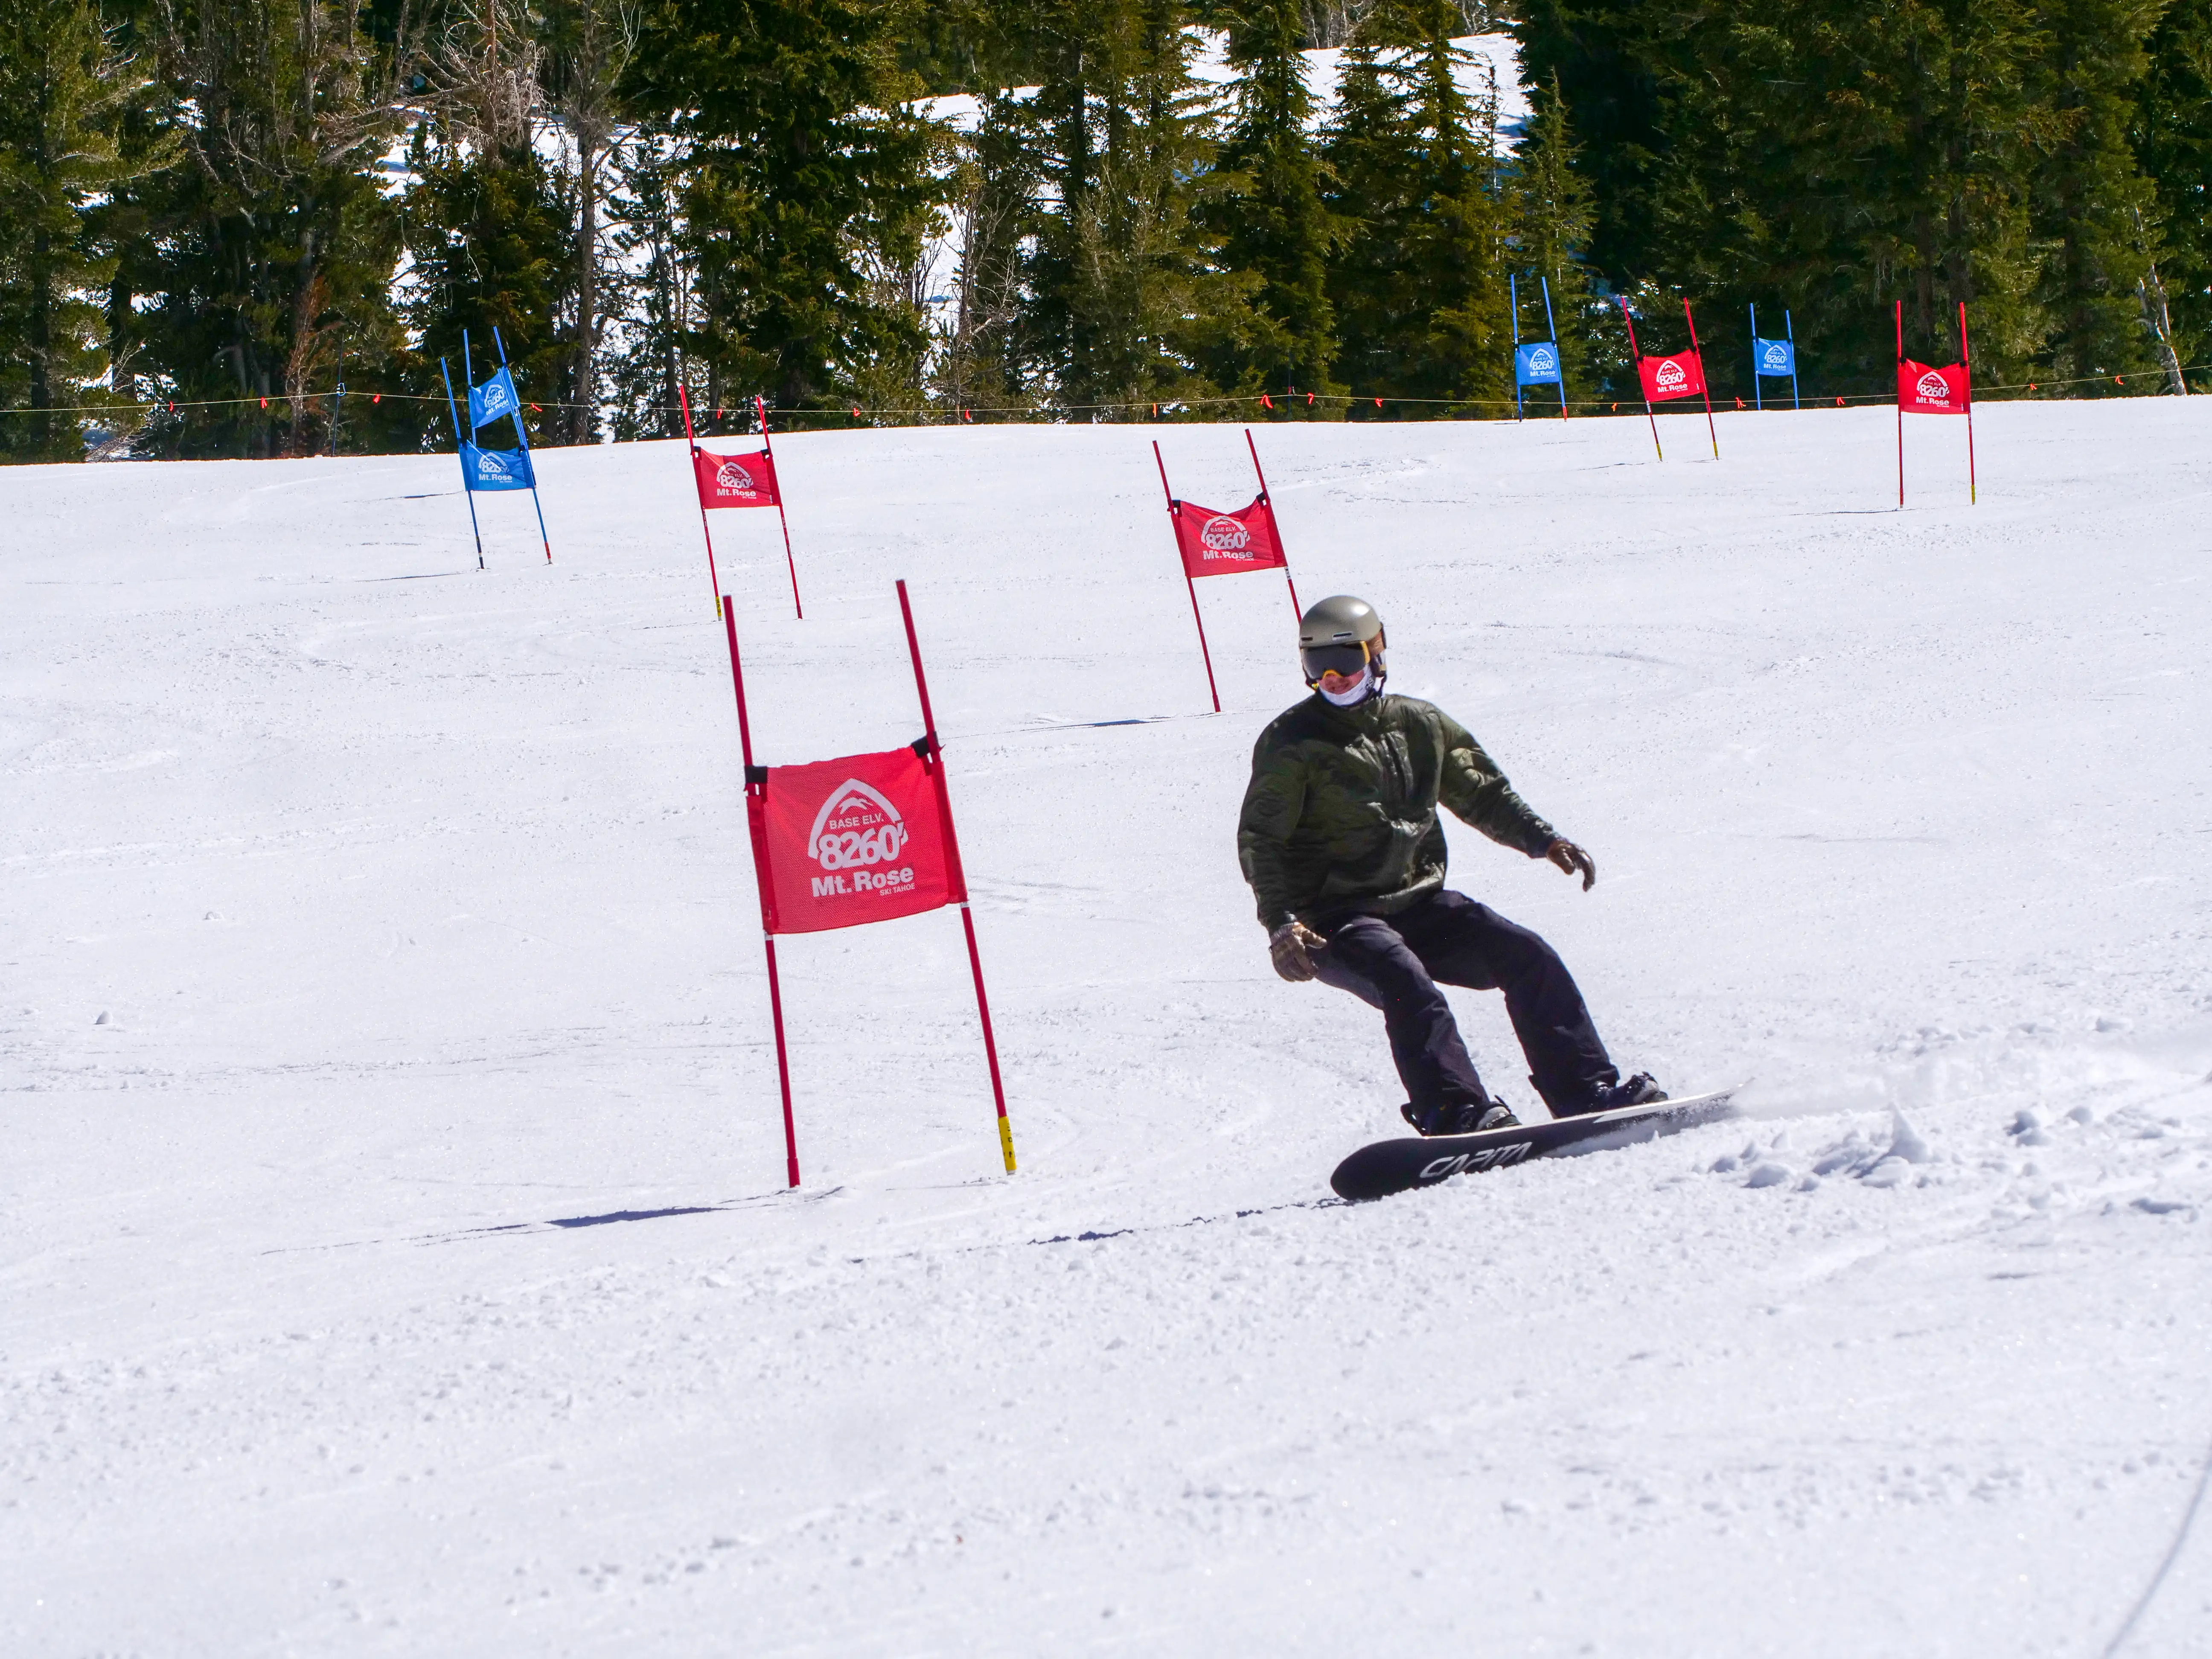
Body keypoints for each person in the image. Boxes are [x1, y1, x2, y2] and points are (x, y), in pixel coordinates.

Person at [1236, 595, 1664, 1136]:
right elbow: (1262, 840)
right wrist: (1281, 923)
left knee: (1527, 957)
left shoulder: (1421, 725)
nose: (1334, 679)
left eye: (1345, 664)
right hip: (1331, 921)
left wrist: (1543, 840)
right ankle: (1455, 1111)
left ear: (1376, 656)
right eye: (1317, 668)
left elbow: (1482, 793)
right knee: (1404, 981)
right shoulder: (1292, 743)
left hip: (1418, 903)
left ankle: (1585, 1091)